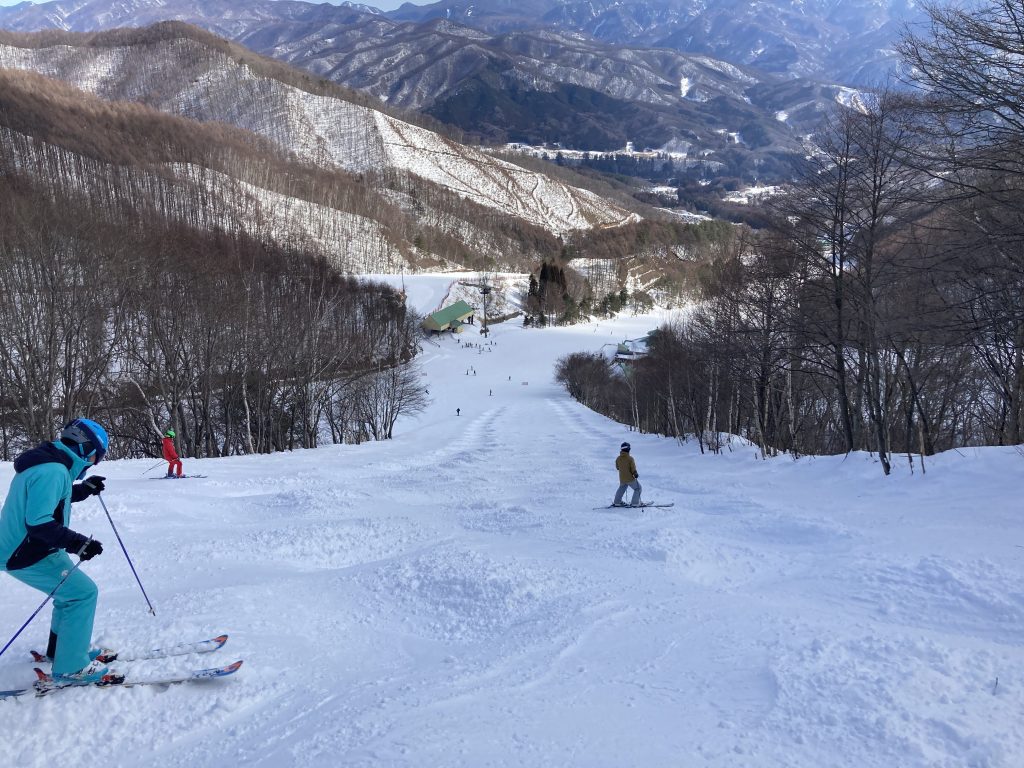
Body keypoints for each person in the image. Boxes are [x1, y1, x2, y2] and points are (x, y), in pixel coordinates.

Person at [0, 418, 116, 683]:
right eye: (96, 457)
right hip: (25, 552)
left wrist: (83, 490)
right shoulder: (53, 470)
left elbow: (53, 498)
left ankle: (61, 651)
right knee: (82, 594)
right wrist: (78, 543)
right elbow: (39, 522)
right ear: (85, 449)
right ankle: (71, 667)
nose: (93, 464)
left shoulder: (51, 464)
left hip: (30, 546)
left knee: (70, 594)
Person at [612, 441, 641, 507]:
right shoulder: (630, 459)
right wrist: (635, 473)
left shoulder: (618, 458)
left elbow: (617, 467)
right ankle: (634, 503)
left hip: (622, 478)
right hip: (630, 478)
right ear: (628, 449)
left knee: (622, 488)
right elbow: (633, 469)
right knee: (638, 488)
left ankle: (617, 502)